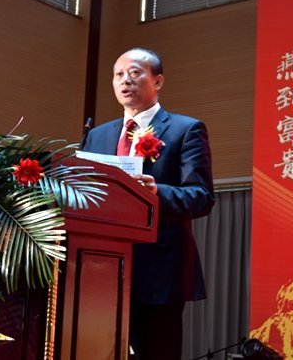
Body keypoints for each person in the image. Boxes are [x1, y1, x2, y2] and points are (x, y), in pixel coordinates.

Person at [82, 48, 215, 359]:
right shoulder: (97, 136)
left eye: (134, 73)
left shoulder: (185, 129)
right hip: (100, 269)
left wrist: (158, 192)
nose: (125, 80)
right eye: (118, 74)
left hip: (159, 270)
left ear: (158, 81)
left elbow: (201, 197)